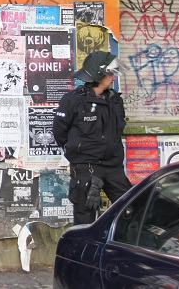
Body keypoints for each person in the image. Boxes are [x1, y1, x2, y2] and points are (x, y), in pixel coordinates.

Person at [52, 50, 133, 225]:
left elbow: (118, 130)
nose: (113, 78)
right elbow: (60, 132)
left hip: (113, 167)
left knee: (130, 210)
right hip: (86, 168)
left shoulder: (115, 101)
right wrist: (78, 153)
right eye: (111, 74)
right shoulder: (73, 100)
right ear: (99, 74)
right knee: (84, 218)